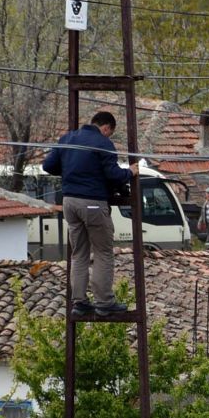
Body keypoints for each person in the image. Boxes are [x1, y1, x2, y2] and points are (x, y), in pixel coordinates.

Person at [43, 109, 130, 315]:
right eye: (109, 133)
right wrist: (130, 172)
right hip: (92, 203)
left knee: (79, 253)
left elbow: (48, 165)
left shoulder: (68, 138)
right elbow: (113, 174)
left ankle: (79, 302)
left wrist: (68, 170)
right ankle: (104, 302)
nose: (108, 136)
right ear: (106, 127)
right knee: (102, 251)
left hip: (69, 203)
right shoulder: (103, 142)